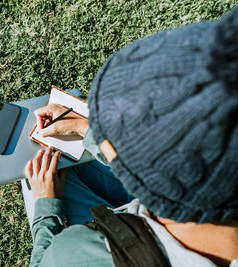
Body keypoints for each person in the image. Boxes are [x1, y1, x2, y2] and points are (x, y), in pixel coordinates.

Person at [24, 8, 238, 267]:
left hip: (119, 239)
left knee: (38, 175)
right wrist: (87, 128)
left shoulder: (74, 253)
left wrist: (46, 208)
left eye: (120, 140)